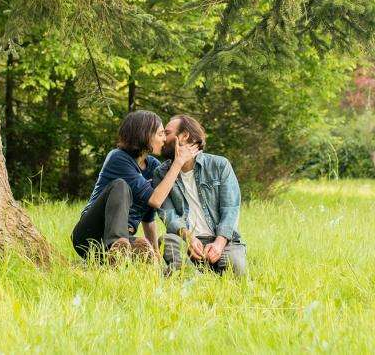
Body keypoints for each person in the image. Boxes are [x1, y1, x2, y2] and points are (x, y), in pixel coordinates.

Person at [71, 109, 200, 263]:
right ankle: (117, 246)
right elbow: (156, 200)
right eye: (160, 134)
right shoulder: (118, 158)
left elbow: (148, 218)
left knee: (142, 246)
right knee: (120, 186)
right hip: (89, 235)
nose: (165, 139)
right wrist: (178, 162)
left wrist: (157, 257)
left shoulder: (153, 166)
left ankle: (120, 256)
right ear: (145, 136)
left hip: (124, 238)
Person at [154, 114, 246, 277]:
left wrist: (218, 243)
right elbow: (168, 215)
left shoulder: (219, 165)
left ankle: (189, 274)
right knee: (167, 241)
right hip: (186, 242)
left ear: (184, 136)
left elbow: (231, 209)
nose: (162, 139)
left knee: (238, 271)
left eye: (166, 133)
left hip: (222, 241)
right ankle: (196, 277)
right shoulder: (161, 173)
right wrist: (189, 239)